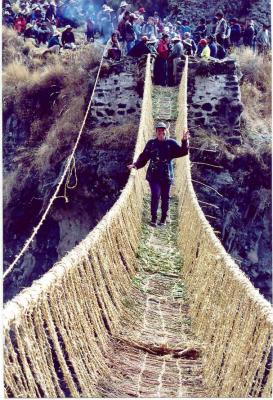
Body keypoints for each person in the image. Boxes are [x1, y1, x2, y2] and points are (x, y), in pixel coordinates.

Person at [127, 122, 190, 226]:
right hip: (154, 175)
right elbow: (144, 157)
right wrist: (135, 165)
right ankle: (153, 219)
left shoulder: (171, 143)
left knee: (165, 198)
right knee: (155, 195)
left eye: (163, 130)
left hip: (166, 176)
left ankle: (163, 219)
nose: (161, 132)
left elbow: (183, 152)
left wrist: (184, 141)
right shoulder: (151, 143)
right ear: (156, 132)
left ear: (166, 131)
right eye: (159, 130)